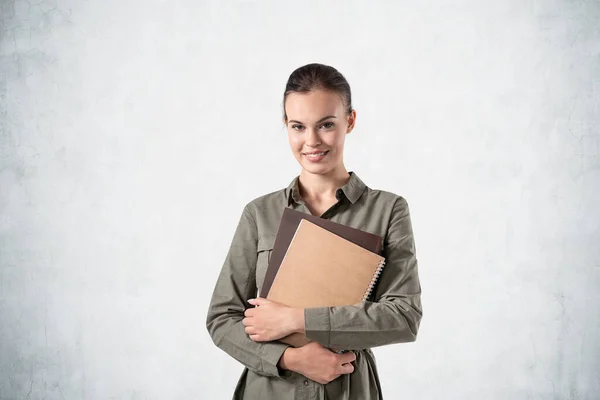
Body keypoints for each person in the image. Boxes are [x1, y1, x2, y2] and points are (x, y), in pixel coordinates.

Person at [206, 63, 422, 399]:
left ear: (349, 121)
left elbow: (404, 317)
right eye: (298, 126)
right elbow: (223, 318)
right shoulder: (260, 214)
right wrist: (290, 358)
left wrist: (297, 319)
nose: (312, 141)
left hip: (348, 388)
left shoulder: (388, 210)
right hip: (269, 390)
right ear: (286, 126)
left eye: (326, 125)